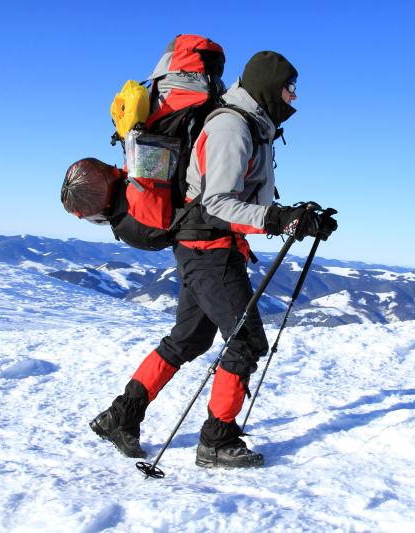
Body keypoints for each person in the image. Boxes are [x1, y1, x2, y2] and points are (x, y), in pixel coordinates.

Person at [90, 51, 336, 468]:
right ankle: (216, 440)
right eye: (288, 88)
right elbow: (218, 204)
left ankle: (120, 417)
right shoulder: (231, 127)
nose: (294, 97)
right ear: (267, 86)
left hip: (204, 244)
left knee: (190, 339)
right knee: (245, 341)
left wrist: (300, 217)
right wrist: (280, 219)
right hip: (207, 246)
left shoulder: (250, 123)